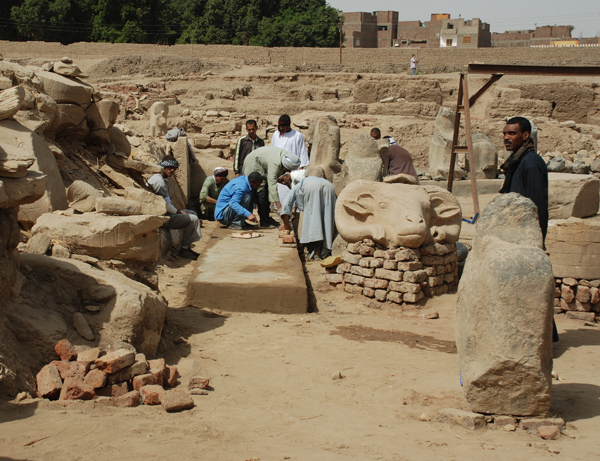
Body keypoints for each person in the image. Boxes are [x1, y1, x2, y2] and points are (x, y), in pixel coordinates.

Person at [499, 116, 557, 342]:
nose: (506, 138)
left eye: (511, 133)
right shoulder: (517, 161)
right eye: (504, 133)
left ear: (525, 136)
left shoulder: (531, 163)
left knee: (529, 288)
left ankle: (543, 337)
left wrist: (537, 241)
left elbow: (537, 204)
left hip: (526, 237)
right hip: (514, 234)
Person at [146, 155, 202, 260]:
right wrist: (179, 212)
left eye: (174, 168)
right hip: (160, 216)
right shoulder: (160, 182)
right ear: (163, 167)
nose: (172, 170)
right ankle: (184, 250)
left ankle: (187, 247)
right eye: (169, 167)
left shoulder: (160, 179)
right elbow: (167, 207)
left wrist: (179, 212)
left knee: (192, 213)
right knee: (192, 219)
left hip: (164, 212)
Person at [279, 175, 336, 260]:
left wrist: (286, 225)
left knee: (315, 221)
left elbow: (286, 204)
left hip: (312, 187)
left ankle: (312, 252)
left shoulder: (297, 187)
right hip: (329, 186)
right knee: (324, 221)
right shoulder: (303, 184)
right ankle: (318, 253)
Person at [242, 146, 301, 229]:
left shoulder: (287, 157)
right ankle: (263, 220)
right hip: (254, 163)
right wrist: (279, 207)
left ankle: (267, 217)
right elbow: (272, 184)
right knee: (261, 190)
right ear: (285, 166)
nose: (290, 172)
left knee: (267, 191)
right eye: (289, 169)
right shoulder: (275, 163)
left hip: (263, 164)